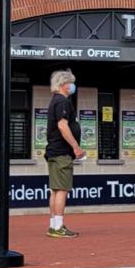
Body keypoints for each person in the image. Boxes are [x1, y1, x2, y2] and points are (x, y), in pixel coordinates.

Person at [45, 70, 84, 238]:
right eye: (71, 83)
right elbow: (63, 126)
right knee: (62, 189)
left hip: (54, 151)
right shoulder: (62, 102)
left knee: (55, 189)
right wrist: (76, 146)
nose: (73, 86)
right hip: (61, 152)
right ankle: (58, 226)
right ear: (64, 84)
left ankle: (54, 225)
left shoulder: (55, 101)